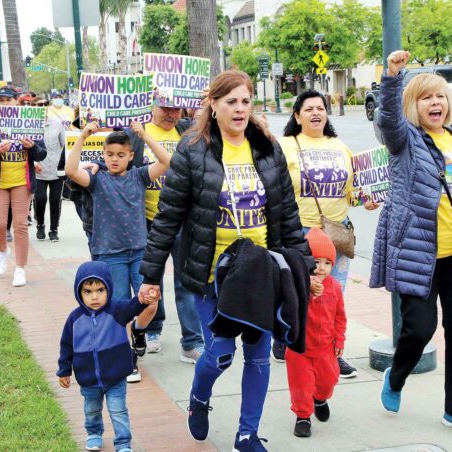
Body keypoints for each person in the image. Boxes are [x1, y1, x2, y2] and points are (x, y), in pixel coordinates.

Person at [138, 70, 314, 451]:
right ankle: (198, 399)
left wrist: (305, 264)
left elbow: (287, 214)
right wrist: (150, 275)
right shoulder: (191, 150)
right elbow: (167, 217)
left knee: (258, 356)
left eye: (245, 101)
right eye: (230, 101)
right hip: (208, 273)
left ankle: (247, 435)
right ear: (212, 105)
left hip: (260, 271)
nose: (239, 109)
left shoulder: (268, 149)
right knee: (219, 353)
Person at [372, 50, 452, 437]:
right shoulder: (405, 139)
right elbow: (388, 119)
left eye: (440, 96)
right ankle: (396, 377)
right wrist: (392, 76)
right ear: (414, 104)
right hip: (419, 252)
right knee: (419, 330)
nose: (436, 103)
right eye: (426, 97)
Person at [276, 90, 378, 377]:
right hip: (301, 232)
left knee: (334, 294)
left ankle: (332, 351)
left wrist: (365, 199)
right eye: (308, 109)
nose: (315, 113)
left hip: (336, 232)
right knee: (300, 292)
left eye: (320, 108)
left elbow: (353, 191)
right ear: (297, 116)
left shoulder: (340, 146)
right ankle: (290, 340)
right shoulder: (284, 145)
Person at [66, 123, 171, 383]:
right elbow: (70, 170)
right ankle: (128, 360)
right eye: (110, 154)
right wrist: (83, 135)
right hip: (109, 254)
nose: (115, 159)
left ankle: (138, 331)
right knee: (119, 307)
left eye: (121, 154)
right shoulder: (97, 180)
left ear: (130, 156)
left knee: (152, 300)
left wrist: (144, 134)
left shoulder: (139, 176)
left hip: (139, 252)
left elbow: (166, 161)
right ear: (103, 154)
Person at [123, 100, 205, 364]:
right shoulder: (135, 133)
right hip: (146, 221)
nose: (171, 115)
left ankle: (191, 342)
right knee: (151, 280)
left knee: (185, 281)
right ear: (152, 107)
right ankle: (152, 329)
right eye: (165, 109)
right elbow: (115, 158)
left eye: (176, 109)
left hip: (182, 220)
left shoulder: (188, 131)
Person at [58, 261, 157, 452]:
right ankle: (94, 434)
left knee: (118, 411)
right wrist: (64, 370)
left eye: (100, 290)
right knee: (92, 410)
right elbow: (66, 346)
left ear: (108, 289)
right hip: (88, 378)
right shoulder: (74, 319)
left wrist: (144, 298)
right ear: (79, 293)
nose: (95, 296)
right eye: (88, 291)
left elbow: (134, 306)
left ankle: (123, 443)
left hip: (116, 376)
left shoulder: (118, 311)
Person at [0, 86, 47, 287]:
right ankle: (3, 249)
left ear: (17, 101)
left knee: (20, 225)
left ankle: (20, 268)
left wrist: (32, 147)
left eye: (8, 100)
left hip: (21, 181)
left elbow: (42, 154)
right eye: (1, 100)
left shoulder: (29, 120)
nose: (4, 103)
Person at [286, 228, 346, 438]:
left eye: (327, 263)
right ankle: (303, 416)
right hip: (299, 348)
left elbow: (340, 317)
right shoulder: (297, 284)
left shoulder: (335, 287)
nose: (321, 268)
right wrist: (306, 289)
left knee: (329, 380)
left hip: (325, 349)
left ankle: (320, 398)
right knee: (301, 385)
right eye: (316, 261)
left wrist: (339, 340)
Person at [34, 92, 76, 241]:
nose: (40, 108)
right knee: (40, 199)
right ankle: (40, 225)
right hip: (38, 169)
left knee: (54, 199)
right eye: (36, 105)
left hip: (56, 168)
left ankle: (53, 230)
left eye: (43, 105)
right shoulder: (28, 126)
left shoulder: (56, 124)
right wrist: (33, 163)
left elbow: (64, 145)